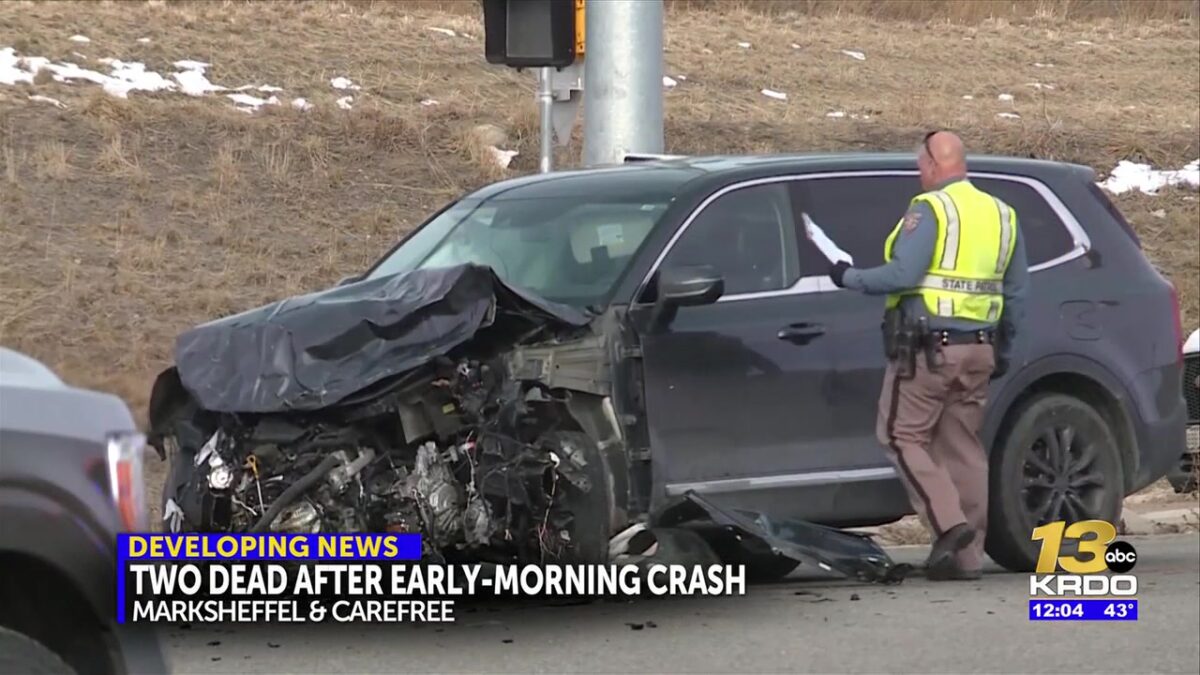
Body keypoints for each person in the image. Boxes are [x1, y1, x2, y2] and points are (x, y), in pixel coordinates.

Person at [826, 131, 1029, 580]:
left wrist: (847, 276)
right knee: (962, 446)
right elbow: (1017, 294)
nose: (919, 174)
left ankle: (949, 526)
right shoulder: (1002, 214)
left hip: (929, 349)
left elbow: (903, 274)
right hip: (980, 348)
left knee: (900, 435)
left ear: (935, 164)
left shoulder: (932, 209)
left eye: (921, 166)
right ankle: (966, 559)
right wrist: (1004, 350)